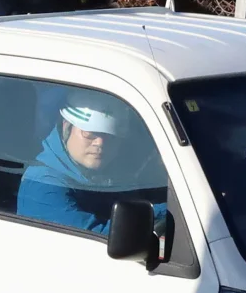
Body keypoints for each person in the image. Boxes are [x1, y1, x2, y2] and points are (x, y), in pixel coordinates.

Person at [16, 90, 167, 236]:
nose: (100, 143)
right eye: (89, 133)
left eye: (110, 136)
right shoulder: (42, 186)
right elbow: (98, 239)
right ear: (66, 127)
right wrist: (170, 212)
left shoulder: (109, 175)